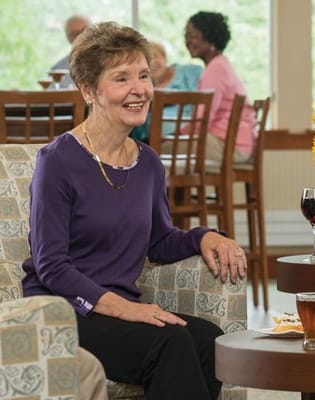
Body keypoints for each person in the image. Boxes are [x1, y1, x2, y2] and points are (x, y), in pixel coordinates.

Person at [21, 21, 248, 400]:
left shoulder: (148, 163)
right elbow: (52, 266)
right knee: (170, 342)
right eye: (121, 78)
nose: (139, 89)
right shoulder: (57, 160)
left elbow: (159, 241)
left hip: (116, 308)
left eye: (144, 75)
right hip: (62, 310)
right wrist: (126, 309)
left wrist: (204, 236)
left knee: (208, 340)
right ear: (88, 89)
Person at [185, 11, 256, 164]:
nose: (188, 41)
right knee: (158, 148)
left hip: (230, 145)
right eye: (186, 35)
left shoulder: (216, 69)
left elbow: (201, 120)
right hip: (234, 143)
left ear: (212, 40)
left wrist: (175, 135)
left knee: (154, 148)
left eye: (194, 36)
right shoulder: (221, 64)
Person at [130, 41, 203, 142]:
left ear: (165, 57)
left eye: (155, 56)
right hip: (154, 143)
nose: (151, 62)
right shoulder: (139, 88)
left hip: (188, 139)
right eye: (145, 60)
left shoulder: (189, 72)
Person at [48, 14, 89, 88]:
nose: (80, 36)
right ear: (67, 37)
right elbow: (53, 93)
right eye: (75, 34)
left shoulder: (108, 61)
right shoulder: (58, 70)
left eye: (84, 31)